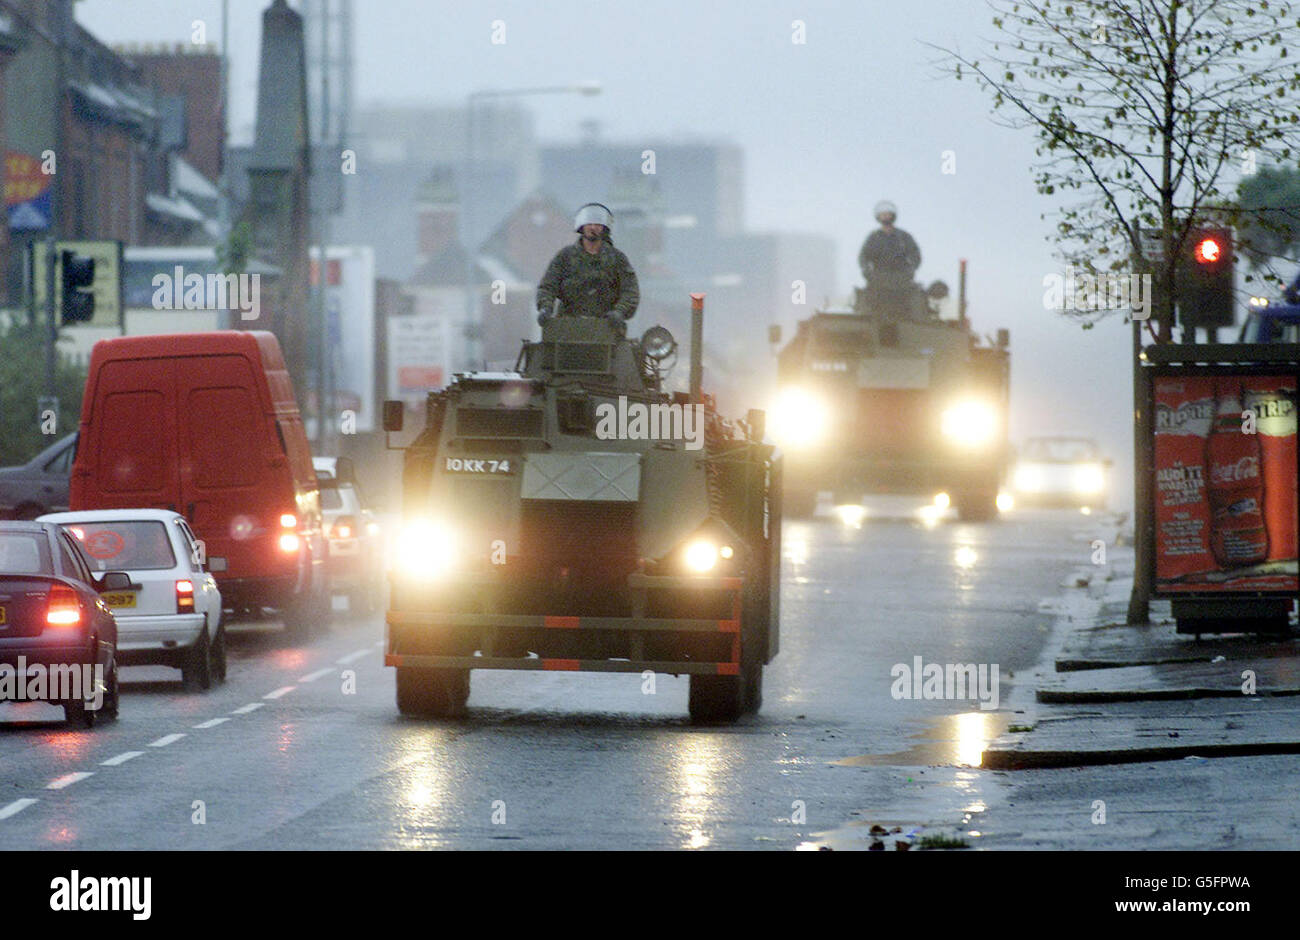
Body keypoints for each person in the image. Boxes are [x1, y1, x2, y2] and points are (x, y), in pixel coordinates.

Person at [536, 202, 640, 331]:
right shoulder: (565, 257)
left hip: (607, 328)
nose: (593, 228)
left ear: (604, 228)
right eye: (589, 223)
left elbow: (630, 291)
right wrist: (545, 308)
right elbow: (547, 286)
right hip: (567, 329)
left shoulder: (617, 259)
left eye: (597, 224)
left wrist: (619, 312)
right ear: (582, 226)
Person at [858, 200, 921, 318]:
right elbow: (863, 257)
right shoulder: (874, 238)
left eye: (888, 214)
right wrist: (866, 271)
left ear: (893, 216)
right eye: (883, 214)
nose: (886, 217)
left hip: (901, 280)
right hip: (878, 279)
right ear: (879, 217)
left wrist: (910, 270)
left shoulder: (903, 237)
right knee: (872, 304)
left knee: (904, 307)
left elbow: (915, 255)